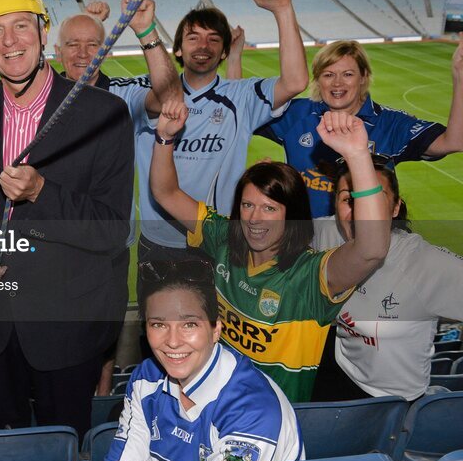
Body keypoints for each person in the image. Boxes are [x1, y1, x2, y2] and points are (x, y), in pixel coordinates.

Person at [0, 0, 133, 438]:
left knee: (65, 453)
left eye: (22, 26)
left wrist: (42, 193)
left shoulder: (102, 113)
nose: (10, 42)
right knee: (4, 452)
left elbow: (111, 229)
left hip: (67, 328)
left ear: (44, 33)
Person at [150, 101, 392, 402]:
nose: (254, 219)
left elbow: (371, 250)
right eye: (247, 205)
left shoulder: (310, 277)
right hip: (215, 404)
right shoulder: (227, 237)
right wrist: (164, 138)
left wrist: (357, 156)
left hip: (273, 425)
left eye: (269, 208)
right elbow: (165, 193)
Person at [129, 0, 309, 299]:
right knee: (156, 330)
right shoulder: (148, 95)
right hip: (158, 241)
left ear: (224, 51)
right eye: (194, 37)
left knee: (217, 329)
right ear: (178, 49)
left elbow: (295, 81)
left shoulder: (241, 97)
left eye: (214, 39)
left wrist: (283, 10)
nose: (204, 45)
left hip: (217, 240)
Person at [55, 0, 181, 395]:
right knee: (55, 340)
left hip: (110, 245)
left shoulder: (121, 95)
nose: (82, 52)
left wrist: (145, 32)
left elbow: (168, 98)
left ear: (106, 49)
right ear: (57, 53)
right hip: (57, 245)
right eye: (72, 44)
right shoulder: (41, 97)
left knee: (105, 334)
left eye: (93, 44)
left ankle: (101, 403)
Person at [91, 259, 303, 461]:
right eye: (159, 325)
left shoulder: (253, 410)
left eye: (189, 324)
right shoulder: (147, 377)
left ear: (216, 330)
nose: (172, 342)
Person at [311, 156, 463, 401]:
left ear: (395, 208)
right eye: (348, 199)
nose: (360, 212)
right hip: (339, 366)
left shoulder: (424, 266)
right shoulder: (327, 234)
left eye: (372, 200)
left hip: (393, 398)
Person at [258, 38, 463, 216]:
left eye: (347, 74)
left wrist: (459, 77)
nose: (337, 83)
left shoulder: (389, 123)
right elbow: (240, 115)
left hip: (363, 238)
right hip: (304, 238)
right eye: (328, 74)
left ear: (363, 77)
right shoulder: (297, 113)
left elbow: (455, 140)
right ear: (318, 80)